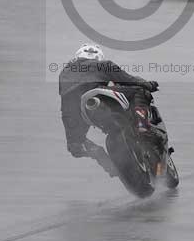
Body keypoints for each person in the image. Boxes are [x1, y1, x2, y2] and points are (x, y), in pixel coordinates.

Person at [58, 43, 159, 177]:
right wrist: (148, 85)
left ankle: (107, 164)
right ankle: (142, 126)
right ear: (98, 57)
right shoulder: (103, 64)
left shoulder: (65, 72)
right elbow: (128, 79)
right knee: (138, 91)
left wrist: (74, 139)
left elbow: (66, 100)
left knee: (76, 145)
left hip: (73, 108)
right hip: (97, 96)